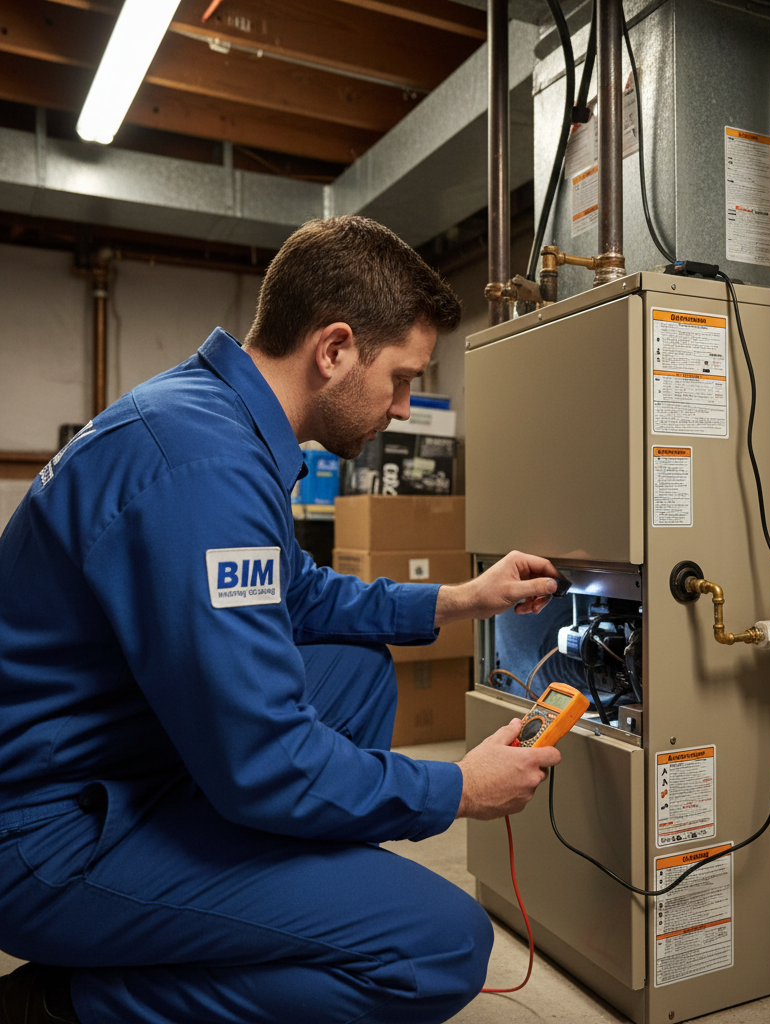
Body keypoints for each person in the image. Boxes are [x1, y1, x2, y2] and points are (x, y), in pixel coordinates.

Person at [0, 216, 562, 1024]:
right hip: (48, 837)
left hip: (112, 761)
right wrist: (457, 787)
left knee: (355, 663)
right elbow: (264, 759)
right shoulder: (206, 465)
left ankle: (283, 902)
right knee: (438, 947)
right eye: (402, 378)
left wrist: (464, 599)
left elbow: (297, 594)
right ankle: (68, 1004)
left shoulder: (213, 416)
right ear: (333, 350)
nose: (405, 407)